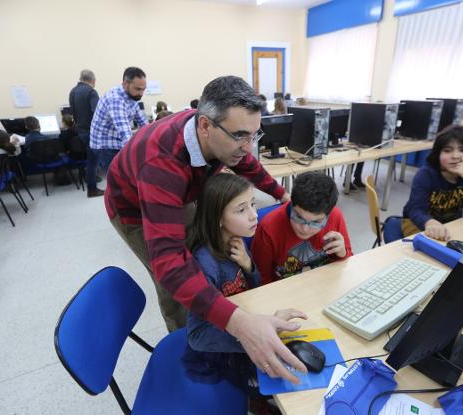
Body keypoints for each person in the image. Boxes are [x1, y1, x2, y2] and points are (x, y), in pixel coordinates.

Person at [105, 75, 307, 385]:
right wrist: (240, 324)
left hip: (180, 186)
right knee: (174, 281)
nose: (249, 146)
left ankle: (218, 319)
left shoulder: (219, 134)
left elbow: (244, 162)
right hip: (132, 208)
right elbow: (170, 263)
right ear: (204, 126)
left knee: (201, 258)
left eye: (254, 134)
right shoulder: (161, 165)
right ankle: (192, 344)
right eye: (240, 135)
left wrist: (282, 195)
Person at [183, 173, 307, 398]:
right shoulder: (205, 264)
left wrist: (248, 265)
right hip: (222, 349)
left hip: (244, 321)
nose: (254, 216)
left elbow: (251, 287)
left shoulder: (236, 241)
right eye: (241, 210)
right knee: (282, 385)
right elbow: (197, 335)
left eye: (253, 204)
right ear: (218, 218)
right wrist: (252, 337)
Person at [251, 171, 353, 285]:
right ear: (291, 203)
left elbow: (346, 263)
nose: (304, 229)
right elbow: (261, 281)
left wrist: (342, 253)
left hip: (322, 285)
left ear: (328, 214)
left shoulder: (335, 216)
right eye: (298, 217)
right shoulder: (268, 228)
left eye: (316, 222)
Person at [401, 126, 463, 241]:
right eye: (447, 150)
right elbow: (415, 210)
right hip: (419, 222)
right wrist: (429, 222)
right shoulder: (426, 174)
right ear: (438, 154)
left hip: (451, 225)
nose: (455, 156)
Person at [89, 66, 148, 179]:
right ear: (125, 84)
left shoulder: (131, 96)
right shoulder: (116, 100)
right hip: (105, 145)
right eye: (138, 89)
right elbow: (125, 133)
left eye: (143, 89)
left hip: (115, 140)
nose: (141, 93)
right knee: (117, 181)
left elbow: (144, 122)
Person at [69, 69, 102, 197]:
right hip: (92, 132)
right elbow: (97, 113)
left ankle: (92, 184)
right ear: (93, 81)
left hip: (81, 131)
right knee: (93, 163)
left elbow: (72, 112)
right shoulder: (91, 92)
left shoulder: (73, 91)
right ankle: (92, 189)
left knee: (91, 161)